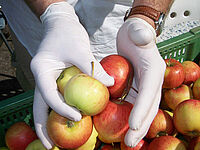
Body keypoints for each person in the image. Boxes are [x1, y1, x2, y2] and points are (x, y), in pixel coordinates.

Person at [0, 0, 173, 149]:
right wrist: (53, 13)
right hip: (38, 24)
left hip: (119, 18)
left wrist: (145, 15)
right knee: (45, 88)